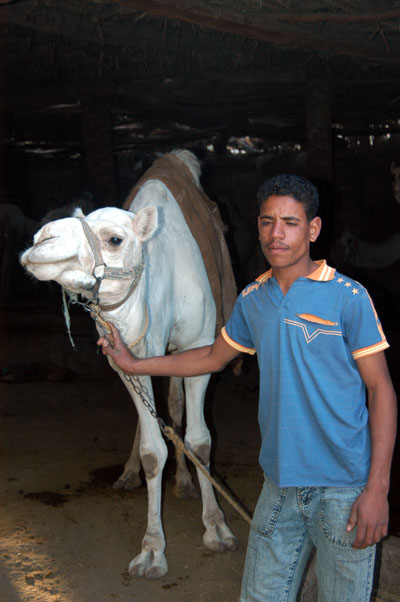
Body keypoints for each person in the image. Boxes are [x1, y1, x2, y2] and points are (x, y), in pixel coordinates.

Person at [98, 173, 397, 602]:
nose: (277, 234)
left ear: (312, 229)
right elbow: (210, 357)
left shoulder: (349, 298)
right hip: (277, 486)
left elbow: (381, 391)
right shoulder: (253, 299)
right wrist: (134, 361)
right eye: (267, 221)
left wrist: (377, 490)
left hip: (343, 491)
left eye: (291, 223)